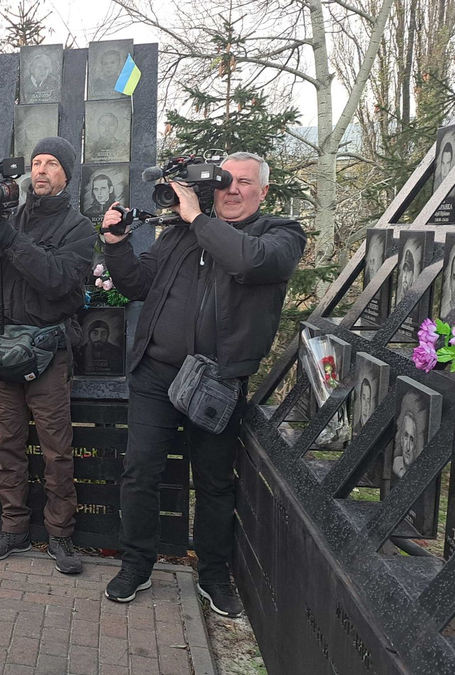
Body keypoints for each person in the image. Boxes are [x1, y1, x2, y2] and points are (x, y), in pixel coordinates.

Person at [100, 151, 306, 618]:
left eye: (244, 183)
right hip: (156, 374)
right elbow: (137, 283)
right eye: (225, 181)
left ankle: (213, 575)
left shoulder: (280, 235)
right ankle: (136, 565)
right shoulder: (180, 234)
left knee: (213, 483)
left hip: (216, 381)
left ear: (264, 191)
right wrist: (115, 244)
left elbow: (249, 263)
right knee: (140, 472)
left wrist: (196, 218)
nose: (232, 190)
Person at [0, 136, 95, 575]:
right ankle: (13, 528)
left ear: (66, 175)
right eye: (36, 162)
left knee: (56, 450)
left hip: (48, 351)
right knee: (8, 444)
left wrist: (12, 239)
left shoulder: (78, 227)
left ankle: (61, 535)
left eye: (52, 163)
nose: (41, 170)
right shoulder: (7, 213)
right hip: (3, 350)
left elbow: (57, 280)